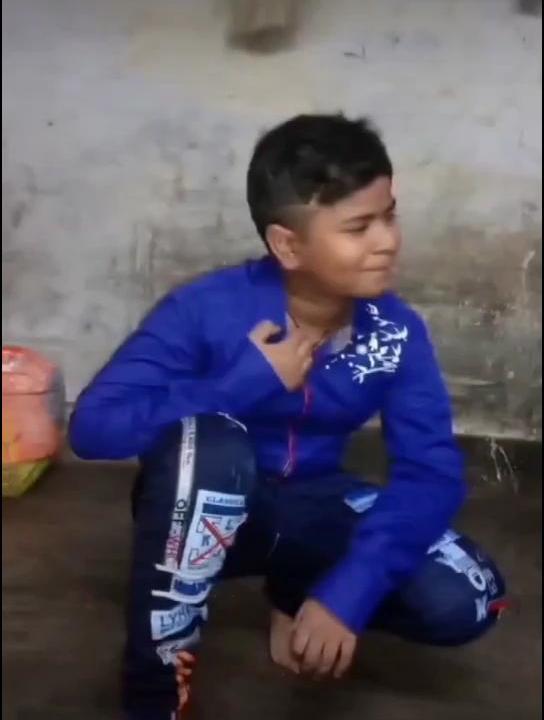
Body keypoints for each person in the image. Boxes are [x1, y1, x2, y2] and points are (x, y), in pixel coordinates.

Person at [69, 114, 508, 720]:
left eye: (389, 216)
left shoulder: (395, 331)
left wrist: (348, 593)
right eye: (359, 227)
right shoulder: (205, 309)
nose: (387, 241)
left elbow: (430, 473)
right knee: (215, 450)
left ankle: (296, 588)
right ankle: (156, 691)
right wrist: (241, 383)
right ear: (288, 245)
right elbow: (94, 428)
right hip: (203, 508)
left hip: (315, 504)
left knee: (470, 596)